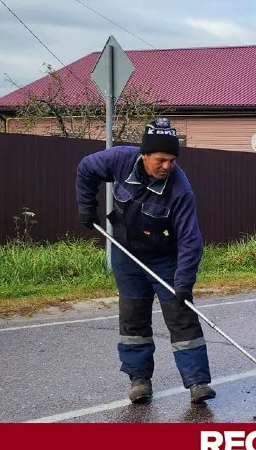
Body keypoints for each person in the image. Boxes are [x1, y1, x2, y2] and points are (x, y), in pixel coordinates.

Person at [75, 118, 216, 405]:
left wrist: (183, 283)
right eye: (160, 160)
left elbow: (190, 240)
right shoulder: (120, 160)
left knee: (180, 315)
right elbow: (86, 168)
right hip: (126, 253)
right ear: (144, 155)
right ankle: (139, 380)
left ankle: (197, 382)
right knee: (133, 317)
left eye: (172, 160)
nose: (167, 166)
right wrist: (86, 206)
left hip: (164, 258)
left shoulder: (180, 190)